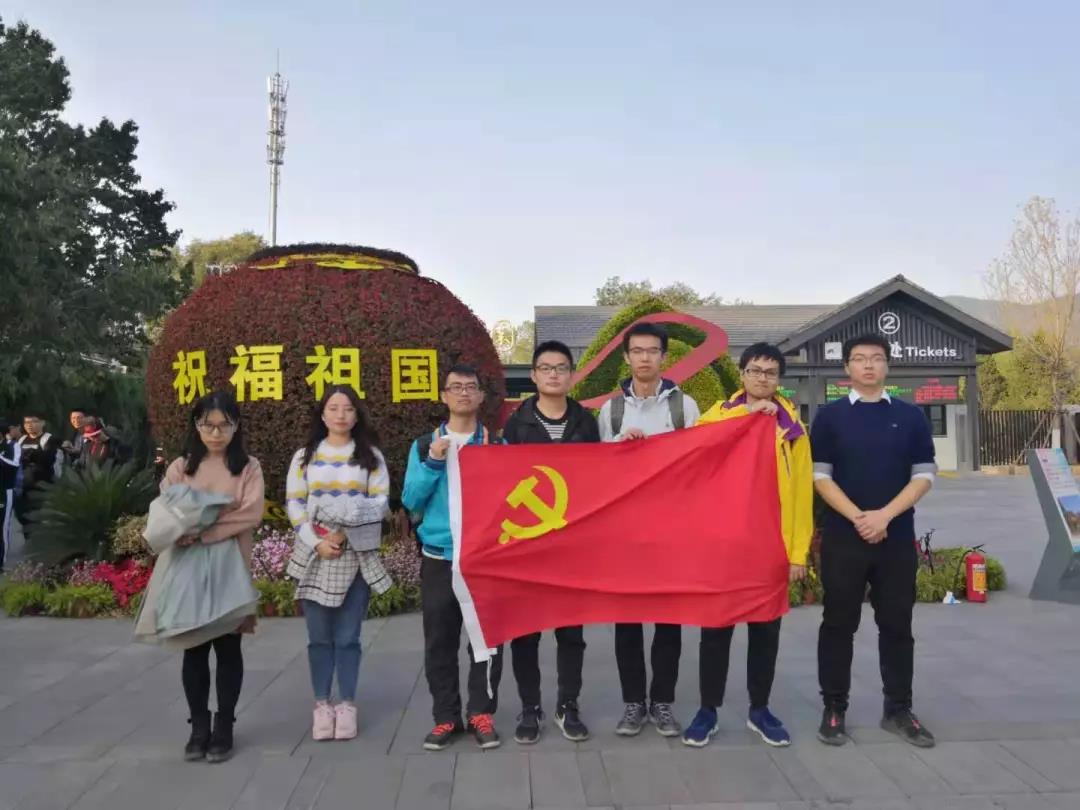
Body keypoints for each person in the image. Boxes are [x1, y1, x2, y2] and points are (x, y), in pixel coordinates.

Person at [684, 342, 813, 747]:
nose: (762, 378)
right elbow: (696, 446)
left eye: (770, 373)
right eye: (755, 370)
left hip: (770, 546)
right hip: (723, 544)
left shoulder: (792, 428)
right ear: (741, 375)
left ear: (779, 380)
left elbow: (802, 494)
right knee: (715, 632)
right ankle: (708, 710)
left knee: (765, 633)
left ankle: (760, 710)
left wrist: (797, 553)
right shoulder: (719, 414)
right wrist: (749, 415)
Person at [812, 333, 937, 749]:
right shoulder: (829, 417)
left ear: (887, 365)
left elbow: (924, 475)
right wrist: (859, 518)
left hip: (895, 538)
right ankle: (834, 708)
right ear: (846, 367)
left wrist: (884, 516)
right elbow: (820, 477)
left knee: (897, 625)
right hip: (843, 539)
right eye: (860, 358)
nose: (868, 365)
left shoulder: (910, 416)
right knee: (837, 624)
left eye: (877, 358)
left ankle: (898, 709)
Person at [598, 322, 700, 737]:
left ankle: (662, 702)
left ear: (663, 357)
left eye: (652, 350)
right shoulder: (611, 411)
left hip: (670, 531)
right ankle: (633, 703)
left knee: (668, 621)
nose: (644, 357)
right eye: (637, 351)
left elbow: (697, 463)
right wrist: (621, 447)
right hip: (625, 533)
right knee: (627, 622)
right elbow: (596, 472)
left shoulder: (683, 407)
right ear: (626, 357)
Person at [402, 363, 504, 751]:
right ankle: (445, 716)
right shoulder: (423, 446)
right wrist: (432, 463)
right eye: (456, 387)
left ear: (481, 396)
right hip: (439, 557)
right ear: (443, 396)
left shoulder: (496, 446)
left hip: (483, 559)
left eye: (471, 387)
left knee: (486, 641)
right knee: (439, 641)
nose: (463, 393)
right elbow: (411, 501)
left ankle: (481, 712)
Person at [502, 340, 599, 745]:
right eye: (546, 368)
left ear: (571, 374)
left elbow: (600, 479)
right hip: (528, 546)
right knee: (525, 632)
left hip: (572, 544)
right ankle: (530, 707)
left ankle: (567, 705)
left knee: (571, 633)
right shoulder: (516, 424)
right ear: (534, 375)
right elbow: (502, 483)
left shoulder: (587, 422)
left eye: (561, 368)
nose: (554, 374)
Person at [161, 391, 265, 763]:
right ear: (197, 425)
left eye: (225, 425)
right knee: (194, 649)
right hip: (187, 569)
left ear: (237, 427)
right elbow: (167, 509)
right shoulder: (180, 468)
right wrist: (180, 531)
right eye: (209, 425)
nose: (216, 433)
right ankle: (198, 726)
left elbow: (250, 513)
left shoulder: (248, 467)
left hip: (231, 568)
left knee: (228, 648)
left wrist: (205, 531)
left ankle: (224, 726)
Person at [286, 386, 391, 742]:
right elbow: (295, 504)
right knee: (318, 637)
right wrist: (317, 541)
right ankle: (322, 704)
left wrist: (343, 532)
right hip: (315, 553)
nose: (341, 414)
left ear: (357, 415)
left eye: (348, 408)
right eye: (333, 408)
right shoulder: (305, 456)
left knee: (348, 637)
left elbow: (379, 502)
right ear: (322, 414)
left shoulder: (370, 456)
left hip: (355, 551)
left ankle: (346, 704)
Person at [15, 414, 62, 528]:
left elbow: (47, 459)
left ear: (43, 423)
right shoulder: (21, 439)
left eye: (33, 422)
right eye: (26, 422)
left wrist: (29, 456)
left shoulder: (49, 439)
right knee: (22, 517)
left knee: (38, 519)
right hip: (23, 486)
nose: (29, 425)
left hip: (42, 486)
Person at [0, 420, 21, 573]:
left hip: (4, 491)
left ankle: (1, 562)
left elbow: (14, 465)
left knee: (2, 526)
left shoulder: (12, 446)